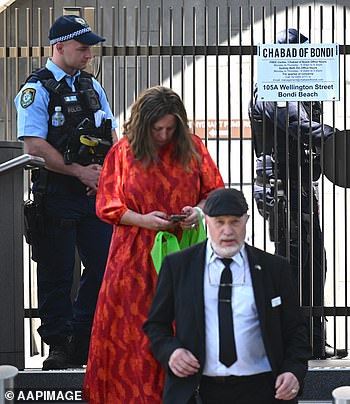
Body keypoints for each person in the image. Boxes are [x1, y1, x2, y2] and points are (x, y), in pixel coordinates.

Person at [248, 28, 350, 359]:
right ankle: (295, 342)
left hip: (297, 186)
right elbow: (295, 123)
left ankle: (311, 339)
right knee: (297, 266)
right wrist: (346, 138)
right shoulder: (270, 91)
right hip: (280, 187)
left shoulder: (298, 92)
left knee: (312, 265)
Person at [83, 86, 224, 403]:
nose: (163, 135)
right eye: (157, 129)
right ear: (143, 124)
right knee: (131, 334)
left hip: (182, 251)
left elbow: (215, 191)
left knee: (179, 328)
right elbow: (107, 204)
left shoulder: (193, 149)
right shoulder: (122, 152)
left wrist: (197, 211)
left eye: (170, 128)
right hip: (133, 257)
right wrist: (144, 220)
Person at [15, 14, 118, 370]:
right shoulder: (36, 89)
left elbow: (111, 135)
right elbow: (33, 145)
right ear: (59, 48)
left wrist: (102, 177)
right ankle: (58, 344)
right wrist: (78, 171)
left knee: (107, 263)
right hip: (56, 193)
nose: (89, 53)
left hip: (93, 194)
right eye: (82, 47)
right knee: (56, 274)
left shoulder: (92, 86)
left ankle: (83, 333)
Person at [143, 188, 311, 404]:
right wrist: (172, 352)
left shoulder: (274, 269)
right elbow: (156, 325)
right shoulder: (178, 267)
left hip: (263, 391)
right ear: (207, 221)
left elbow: (296, 330)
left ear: (246, 220)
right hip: (199, 391)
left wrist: (293, 372)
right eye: (219, 222)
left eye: (234, 221)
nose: (227, 230)